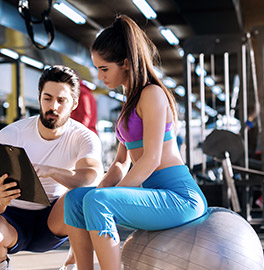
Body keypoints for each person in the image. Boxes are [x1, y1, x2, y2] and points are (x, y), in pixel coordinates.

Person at [63, 15, 208, 270]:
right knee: (76, 199)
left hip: (179, 198)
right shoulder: (128, 103)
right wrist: (100, 191)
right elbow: (120, 163)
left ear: (126, 63)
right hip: (152, 193)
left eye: (104, 69)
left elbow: (151, 159)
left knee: (98, 201)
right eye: (97, 68)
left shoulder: (151, 94)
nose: (99, 77)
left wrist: (109, 196)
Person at [0, 65, 104, 270]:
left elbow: (91, 176)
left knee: (85, 196)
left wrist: (51, 171)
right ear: (39, 97)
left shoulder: (84, 136)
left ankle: (72, 262)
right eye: (47, 98)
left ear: (74, 103)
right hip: (11, 218)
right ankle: (0, 261)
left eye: (61, 100)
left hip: (53, 221)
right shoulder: (12, 134)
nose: (53, 106)